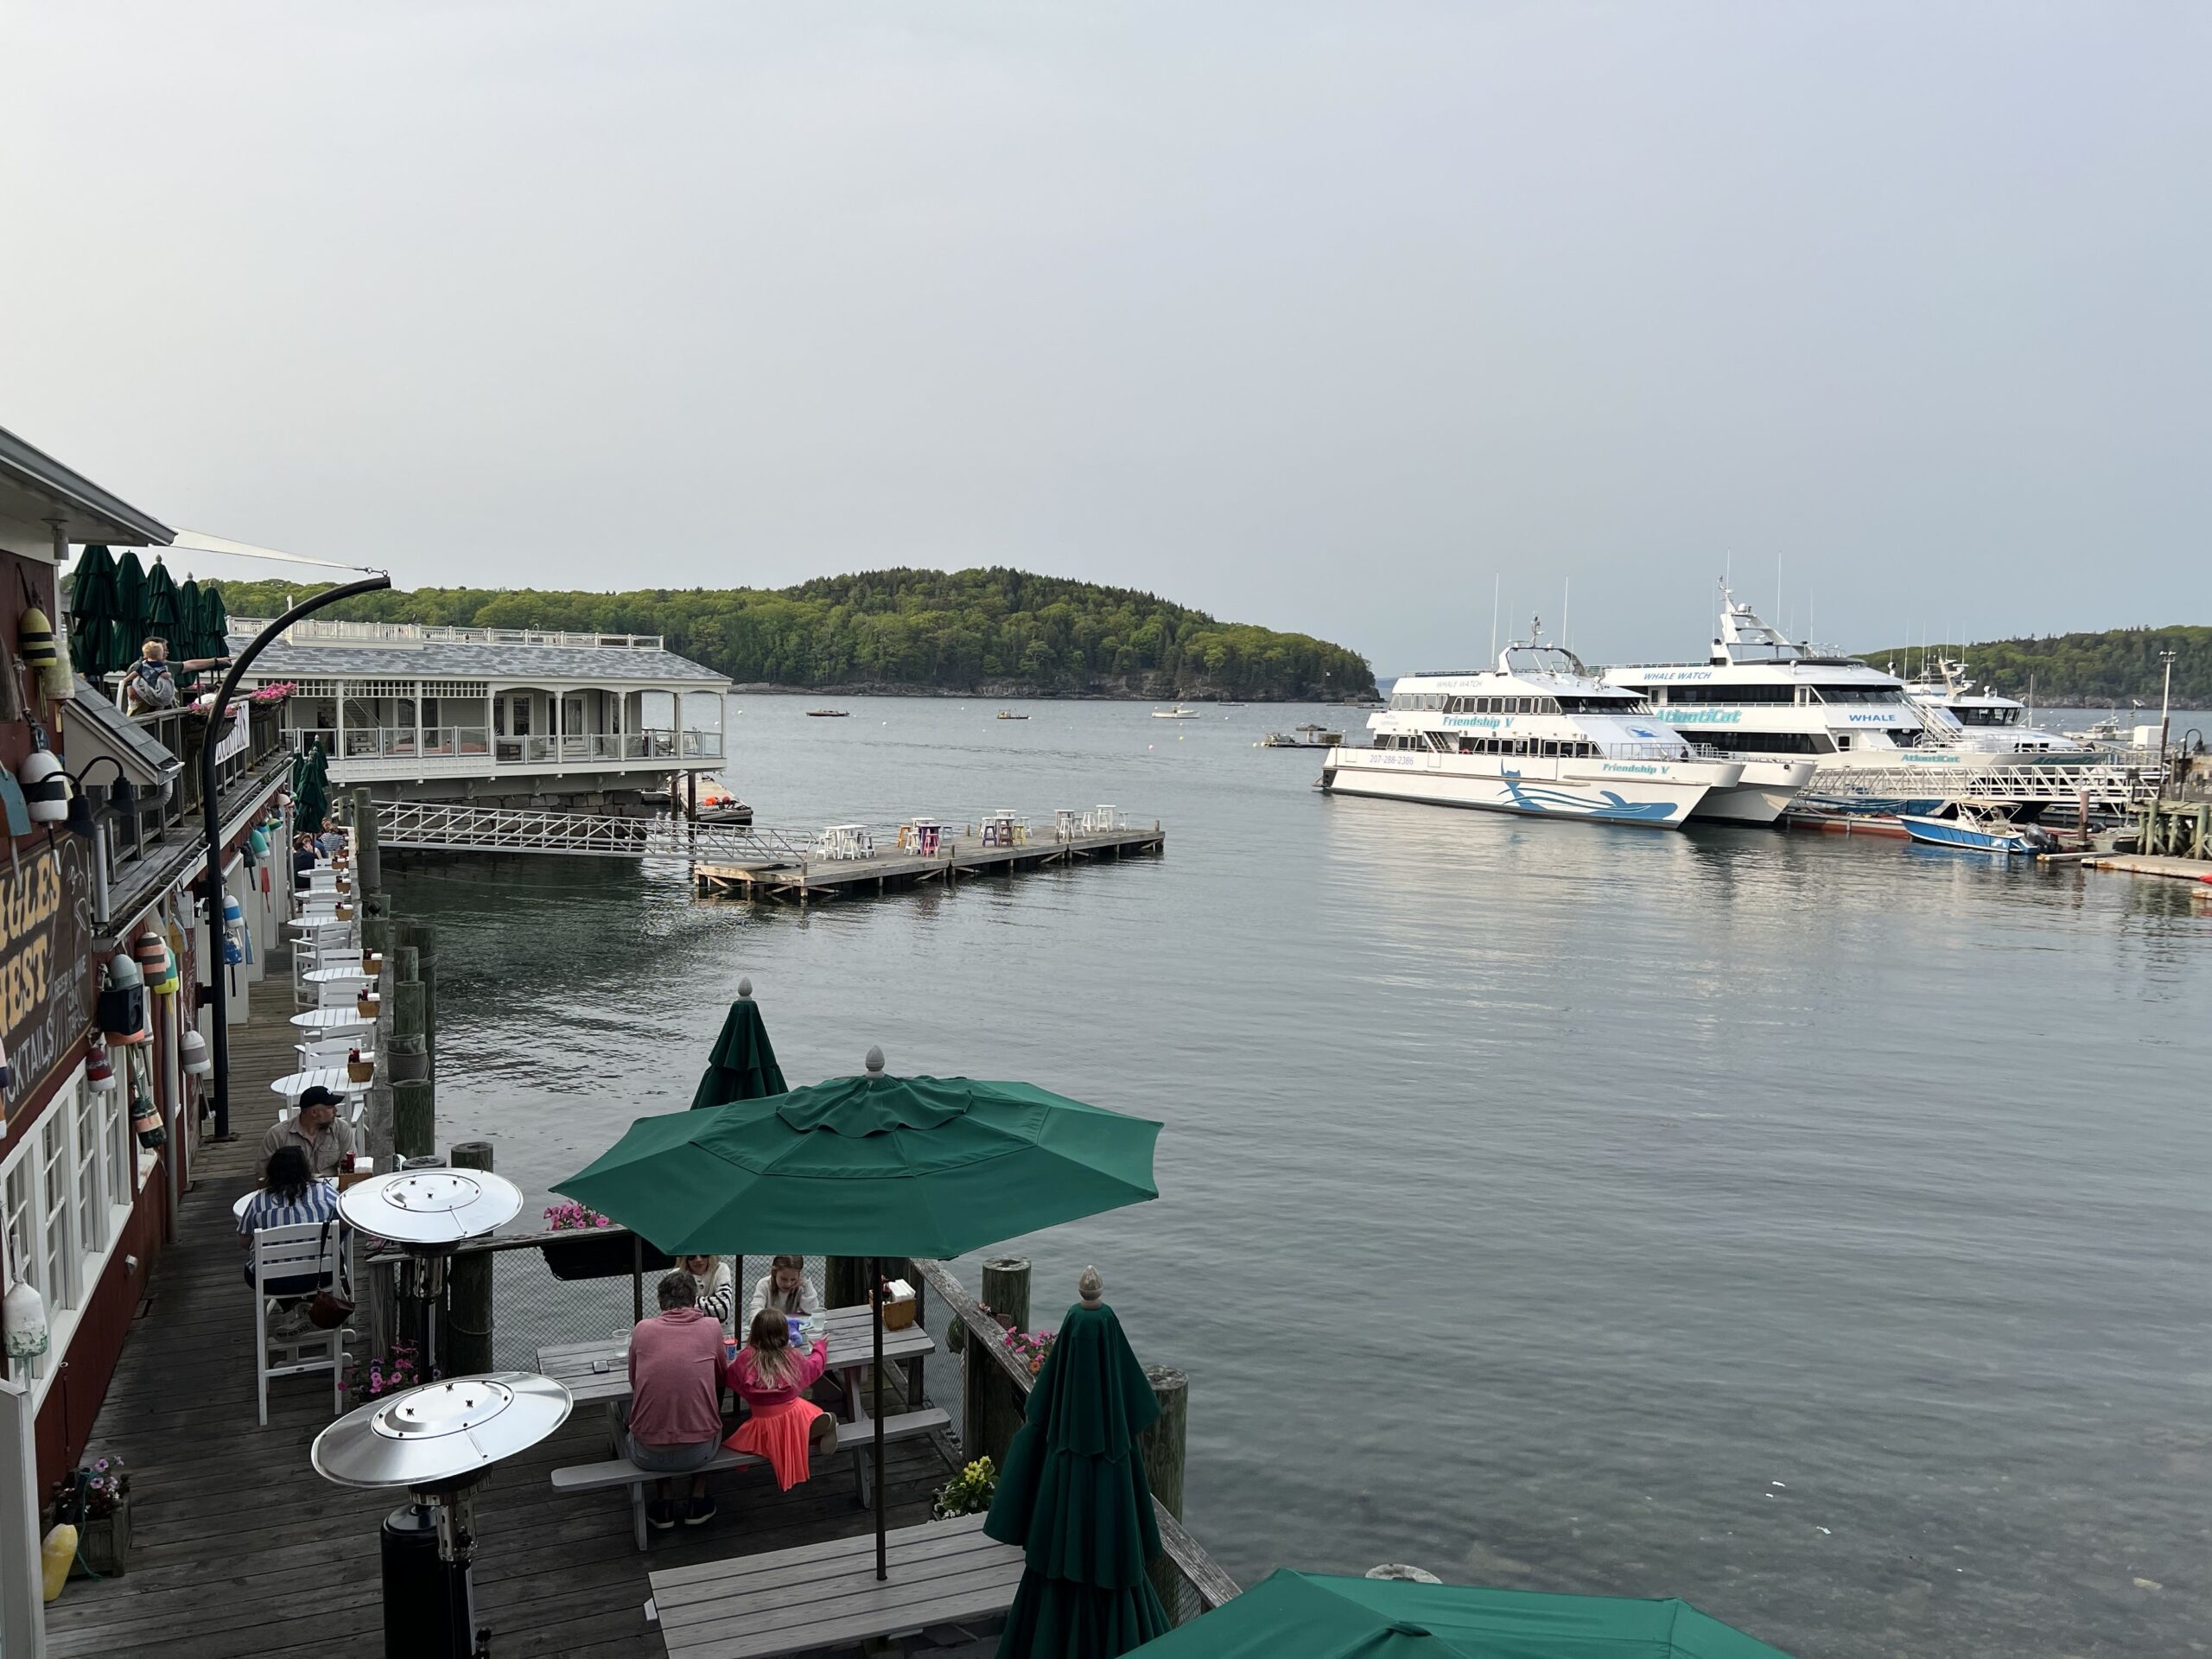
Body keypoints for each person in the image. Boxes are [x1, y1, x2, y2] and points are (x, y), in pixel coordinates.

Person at [626, 1269, 727, 1529]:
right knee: (708, 1411)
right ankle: (697, 1496)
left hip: (647, 1453)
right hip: (699, 1453)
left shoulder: (642, 1329)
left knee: (653, 1412)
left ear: (660, 1302)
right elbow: (720, 1376)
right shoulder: (711, 1327)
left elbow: (633, 1380)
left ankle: (665, 1500)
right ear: (694, 1300)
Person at [724, 1307, 836, 1491]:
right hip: (794, 1413)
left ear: (754, 1333)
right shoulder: (792, 1356)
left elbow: (730, 1378)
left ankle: (805, 1433)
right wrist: (820, 1349)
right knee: (804, 1413)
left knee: (767, 1437)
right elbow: (814, 1368)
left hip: (762, 1422)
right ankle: (810, 1430)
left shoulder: (745, 1358)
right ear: (785, 1334)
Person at [238, 1144, 340, 1294]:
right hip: (320, 1275)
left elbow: (244, 1242)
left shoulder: (258, 1203)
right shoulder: (324, 1193)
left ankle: (292, 1304)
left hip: (271, 1281)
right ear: (304, 1169)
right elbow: (344, 1217)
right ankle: (304, 1302)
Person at [258, 1086, 354, 1181]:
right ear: (314, 1112)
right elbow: (262, 1177)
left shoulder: (341, 1129)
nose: (336, 1110)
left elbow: (351, 1170)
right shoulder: (277, 1135)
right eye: (330, 1107)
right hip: (292, 1192)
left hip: (333, 1190)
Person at [121, 638, 227, 713]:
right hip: (143, 718)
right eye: (164, 650)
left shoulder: (166, 665)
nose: (167, 652)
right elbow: (132, 695)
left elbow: (191, 664)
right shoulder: (137, 667)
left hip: (166, 716)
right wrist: (159, 696)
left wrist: (217, 661)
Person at [745, 1254, 823, 1325]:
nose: (788, 1284)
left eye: (793, 1279)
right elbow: (755, 1315)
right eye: (783, 1279)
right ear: (775, 1272)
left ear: (799, 1275)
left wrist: (806, 1286)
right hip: (768, 1332)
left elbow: (812, 1311)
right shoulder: (764, 1285)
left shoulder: (800, 1287)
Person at [680, 1254, 736, 1339]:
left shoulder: (720, 1269)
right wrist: (713, 1303)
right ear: (685, 1258)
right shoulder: (676, 1275)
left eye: (704, 1254)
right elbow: (674, 1312)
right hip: (686, 1333)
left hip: (716, 1333)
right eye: (692, 1256)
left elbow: (722, 1311)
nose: (698, 1259)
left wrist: (688, 1303)